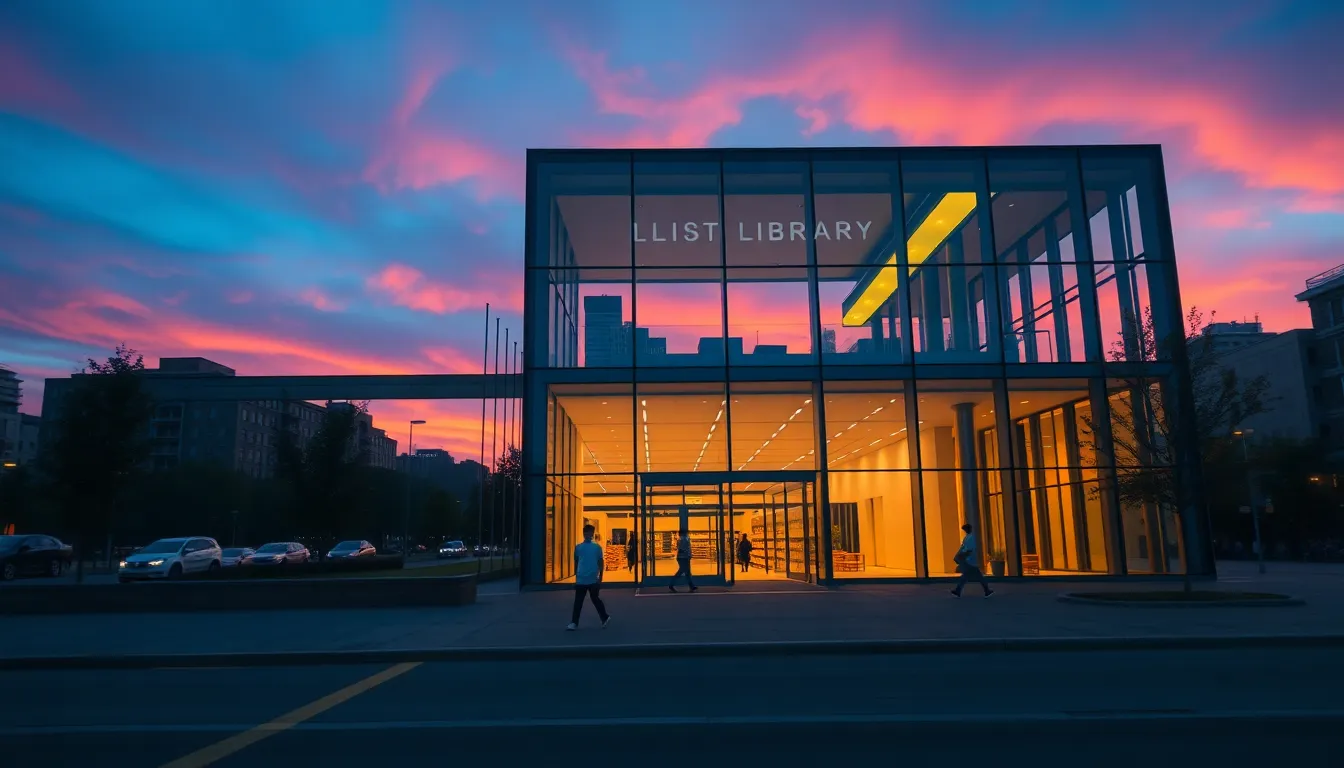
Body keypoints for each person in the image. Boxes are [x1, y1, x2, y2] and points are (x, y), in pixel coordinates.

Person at [568, 524, 611, 630]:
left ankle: (604, 617)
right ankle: (574, 623)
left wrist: (601, 576)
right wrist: (576, 576)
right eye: (586, 533)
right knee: (578, 601)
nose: (588, 535)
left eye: (590, 533)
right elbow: (576, 562)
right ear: (584, 534)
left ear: (593, 534)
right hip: (581, 578)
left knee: (595, 599)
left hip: (593, 578)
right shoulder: (578, 548)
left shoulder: (597, 548)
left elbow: (601, 562)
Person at [951, 522, 994, 598]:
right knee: (974, 576)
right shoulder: (968, 537)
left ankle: (958, 590)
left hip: (969, 560)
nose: (964, 531)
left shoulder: (971, 538)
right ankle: (987, 590)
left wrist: (962, 556)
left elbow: (969, 550)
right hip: (969, 561)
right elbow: (963, 548)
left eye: (965, 529)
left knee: (967, 576)